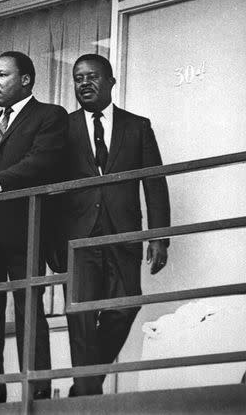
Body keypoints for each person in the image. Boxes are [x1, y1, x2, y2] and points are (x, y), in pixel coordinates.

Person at [0, 51, 68, 403]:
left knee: (28, 311)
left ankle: (36, 392)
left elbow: (41, 162)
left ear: (25, 79)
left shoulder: (49, 116)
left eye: (2, 75)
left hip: (26, 228)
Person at [62, 54, 170, 396]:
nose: (84, 83)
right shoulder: (64, 127)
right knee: (80, 314)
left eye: (92, 76)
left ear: (111, 81)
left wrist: (159, 238)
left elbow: (154, 182)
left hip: (124, 232)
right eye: (78, 78)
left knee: (125, 305)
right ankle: (87, 394)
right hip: (78, 236)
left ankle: (84, 387)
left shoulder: (137, 126)